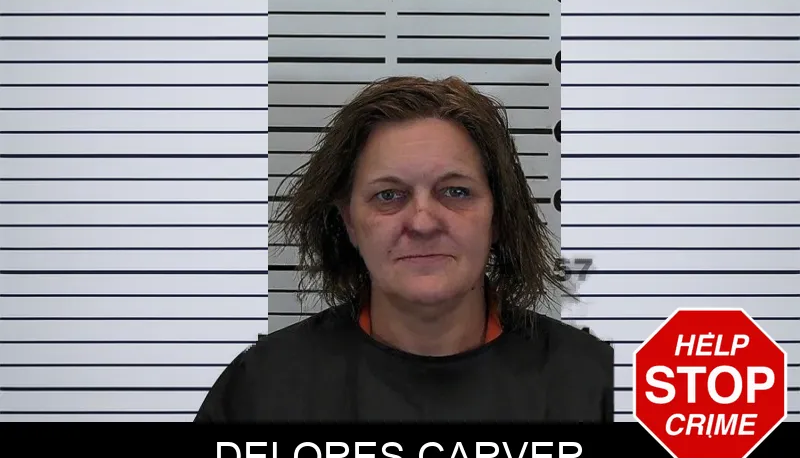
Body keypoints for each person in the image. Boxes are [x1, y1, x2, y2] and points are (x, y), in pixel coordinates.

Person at [194, 76, 614, 422]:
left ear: (499, 216)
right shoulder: (262, 391)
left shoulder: (594, 387)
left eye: (455, 191)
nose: (423, 222)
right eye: (388, 196)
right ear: (349, 222)